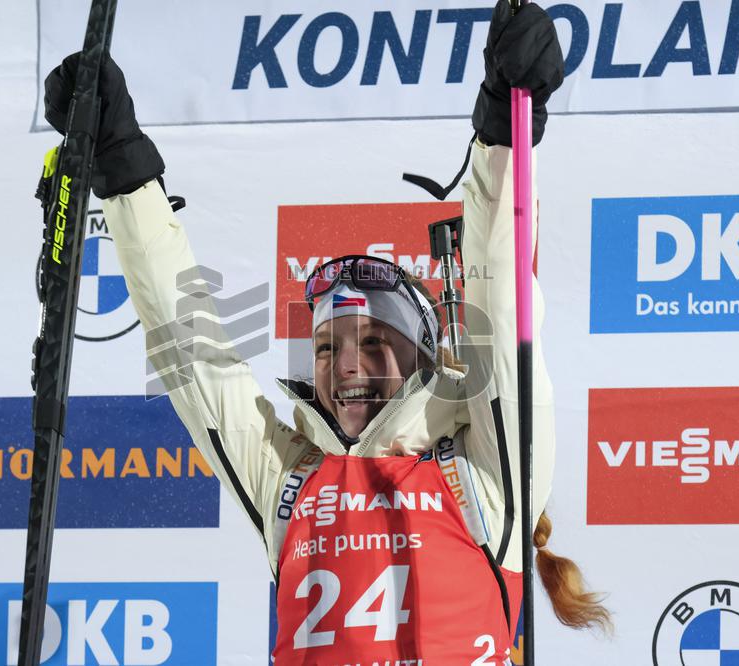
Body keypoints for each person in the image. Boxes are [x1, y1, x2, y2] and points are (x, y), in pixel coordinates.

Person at [44, 2, 609, 662]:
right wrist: (126, 172)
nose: (345, 365)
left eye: (373, 342)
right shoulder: (289, 481)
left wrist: (502, 138)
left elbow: (500, 309)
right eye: (325, 346)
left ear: (424, 356)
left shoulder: (486, 473)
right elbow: (193, 355)